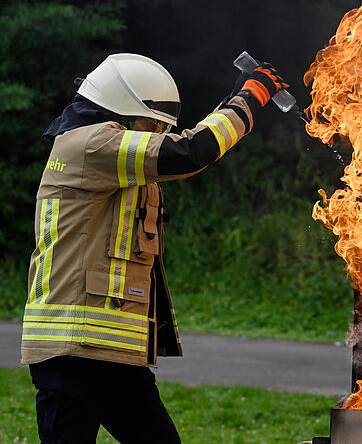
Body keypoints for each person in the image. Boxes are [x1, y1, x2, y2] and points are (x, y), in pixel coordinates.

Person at [20, 53, 289, 443]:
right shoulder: (92, 144)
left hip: (112, 354)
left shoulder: (112, 155)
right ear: (122, 111)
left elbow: (190, 142)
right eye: (152, 123)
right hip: (71, 353)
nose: (158, 133)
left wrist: (234, 98)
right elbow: (192, 151)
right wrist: (251, 97)